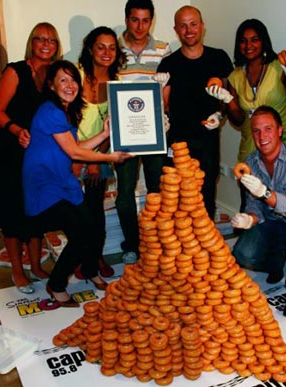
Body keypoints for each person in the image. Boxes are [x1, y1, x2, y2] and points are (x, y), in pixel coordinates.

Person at [22, 60, 132, 307]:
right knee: (83, 232)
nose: (70, 85)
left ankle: (89, 270)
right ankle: (57, 284)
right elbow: (75, 153)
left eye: (73, 80)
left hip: (61, 182)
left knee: (90, 229)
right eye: (63, 80)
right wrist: (110, 157)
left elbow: (75, 147)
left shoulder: (63, 112)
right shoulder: (50, 111)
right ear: (51, 85)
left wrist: (104, 134)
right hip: (45, 184)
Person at [0, 22, 62, 294]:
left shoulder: (55, 75)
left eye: (51, 39)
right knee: (13, 212)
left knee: (37, 210)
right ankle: (18, 271)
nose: (46, 43)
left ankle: (37, 266)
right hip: (11, 151)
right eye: (40, 38)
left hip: (40, 154)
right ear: (32, 42)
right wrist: (17, 130)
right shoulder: (15, 71)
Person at [232, 106, 286, 317]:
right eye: (256, 131)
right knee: (242, 253)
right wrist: (249, 218)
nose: (262, 136)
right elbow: (254, 206)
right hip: (271, 221)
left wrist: (265, 192)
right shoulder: (251, 163)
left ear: (280, 130)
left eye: (268, 128)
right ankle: (276, 261)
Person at [205, 19, 286, 212]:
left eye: (254, 39)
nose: (249, 46)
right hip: (252, 145)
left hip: (283, 142)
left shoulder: (278, 67)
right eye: (243, 41)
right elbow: (238, 120)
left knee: (281, 203)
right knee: (249, 202)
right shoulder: (236, 76)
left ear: (263, 41)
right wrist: (228, 99)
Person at [157, 5, 233, 219]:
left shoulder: (218, 58)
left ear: (202, 26)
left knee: (206, 191)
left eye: (193, 24)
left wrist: (220, 114)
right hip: (178, 141)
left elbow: (227, 97)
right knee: (178, 196)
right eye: (183, 26)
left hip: (207, 138)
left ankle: (205, 246)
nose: (189, 30)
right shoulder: (168, 63)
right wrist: (161, 113)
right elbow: (165, 105)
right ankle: (181, 247)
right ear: (176, 30)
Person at [115, 0, 171, 264]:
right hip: (123, 132)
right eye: (135, 19)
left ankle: (154, 242)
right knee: (125, 193)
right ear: (126, 19)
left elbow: (167, 93)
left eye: (145, 20)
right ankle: (132, 245)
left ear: (152, 21)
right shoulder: (112, 48)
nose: (140, 26)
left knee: (156, 191)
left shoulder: (163, 49)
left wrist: (165, 114)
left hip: (155, 131)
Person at [72, 26, 127, 279]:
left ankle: (95, 257)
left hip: (101, 153)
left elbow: (114, 126)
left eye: (112, 47)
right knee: (74, 211)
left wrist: (95, 160)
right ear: (90, 48)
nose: (107, 52)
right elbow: (64, 119)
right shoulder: (75, 74)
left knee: (95, 210)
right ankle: (77, 256)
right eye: (101, 47)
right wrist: (75, 155)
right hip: (70, 151)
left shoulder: (117, 82)